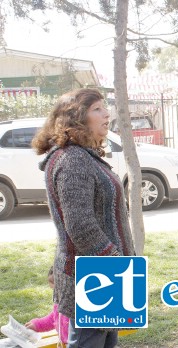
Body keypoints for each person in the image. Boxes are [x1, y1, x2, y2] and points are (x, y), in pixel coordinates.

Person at [32, 88, 136, 348]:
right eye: (97, 108)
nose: (106, 113)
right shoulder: (74, 159)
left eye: (105, 107)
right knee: (90, 341)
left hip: (99, 273)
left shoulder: (81, 156)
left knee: (104, 341)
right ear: (76, 118)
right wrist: (115, 262)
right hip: (96, 278)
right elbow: (79, 225)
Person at [25, 267, 70, 344]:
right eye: (54, 290)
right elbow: (53, 318)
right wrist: (37, 325)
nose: (56, 294)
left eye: (58, 290)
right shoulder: (59, 303)